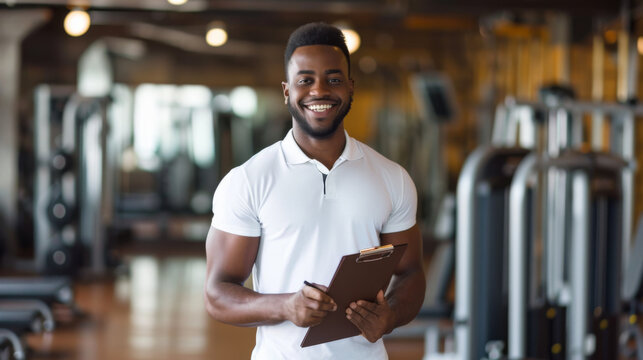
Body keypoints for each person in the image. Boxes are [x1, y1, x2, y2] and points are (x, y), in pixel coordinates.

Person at [204, 22, 425, 359]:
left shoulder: (391, 177)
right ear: (286, 90)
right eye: (305, 80)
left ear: (351, 87)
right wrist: (286, 306)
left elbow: (411, 272)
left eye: (333, 79)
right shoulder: (249, 179)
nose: (319, 91)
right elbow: (217, 294)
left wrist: (391, 315)